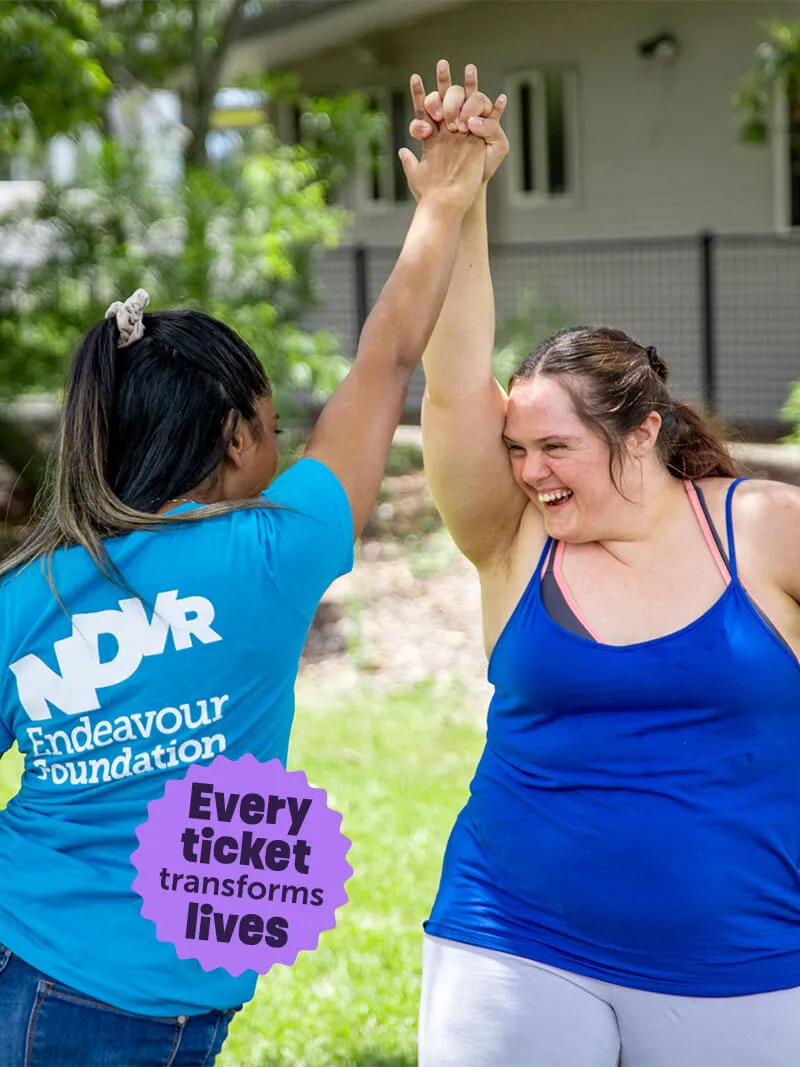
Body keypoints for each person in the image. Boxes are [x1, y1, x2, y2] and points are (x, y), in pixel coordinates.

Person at [0, 81, 489, 1067]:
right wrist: (446, 196)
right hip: (106, 1006)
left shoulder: (26, 591)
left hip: (35, 963)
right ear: (232, 436)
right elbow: (386, 357)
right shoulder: (275, 551)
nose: (281, 446)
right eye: (269, 426)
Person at [411, 62, 800, 1067]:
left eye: (555, 447)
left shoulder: (762, 528)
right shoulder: (513, 541)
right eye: (517, 449)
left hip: (744, 954)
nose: (528, 471)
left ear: (642, 433)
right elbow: (452, 382)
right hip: (511, 936)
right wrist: (460, 202)